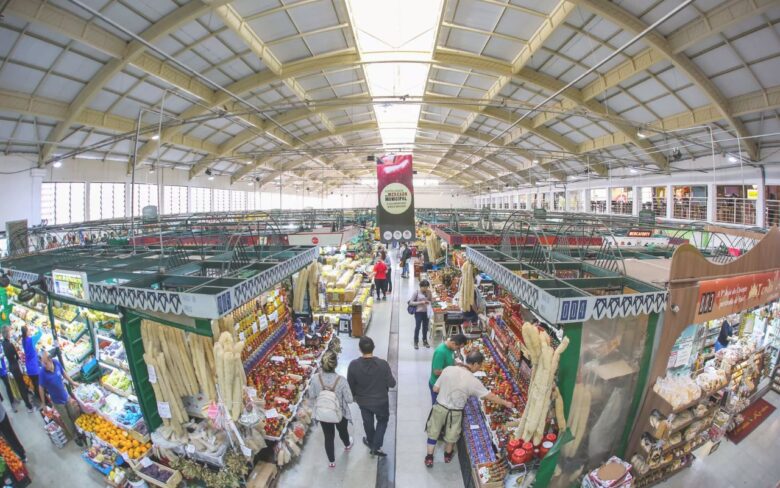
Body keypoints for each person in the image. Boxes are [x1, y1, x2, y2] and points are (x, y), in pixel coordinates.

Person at [424, 352, 513, 467]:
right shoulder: (473, 381)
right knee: (451, 436)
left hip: (440, 407)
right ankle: (447, 455)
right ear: (475, 364)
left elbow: (435, 389)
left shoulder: (448, 369)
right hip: (455, 412)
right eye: (480, 365)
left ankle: (429, 458)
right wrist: (505, 403)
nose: (479, 368)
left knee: (433, 432)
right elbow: (490, 396)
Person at [347, 337, 395, 457]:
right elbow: (392, 383)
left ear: (359, 349)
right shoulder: (383, 364)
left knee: (367, 422)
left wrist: (353, 397)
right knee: (382, 421)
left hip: (363, 401)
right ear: (373, 347)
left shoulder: (353, 365)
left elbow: (350, 385)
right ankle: (376, 446)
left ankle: (370, 440)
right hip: (381, 401)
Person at [308, 350, 353, 468]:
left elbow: (311, 395)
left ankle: (331, 461)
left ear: (322, 364)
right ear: (336, 364)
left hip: (324, 412)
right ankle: (347, 444)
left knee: (328, 436)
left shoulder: (315, 379)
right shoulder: (342, 380)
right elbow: (349, 399)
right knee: (343, 430)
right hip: (340, 412)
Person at [38, 349, 81, 443]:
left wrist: (72, 382)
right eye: (42, 363)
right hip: (57, 401)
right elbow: (40, 388)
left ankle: (79, 431)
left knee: (73, 414)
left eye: (45, 363)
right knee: (66, 419)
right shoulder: (42, 372)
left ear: (50, 360)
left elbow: (63, 372)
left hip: (65, 395)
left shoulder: (56, 363)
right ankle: (75, 437)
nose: (44, 365)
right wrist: (43, 404)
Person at [429, 334, 468, 404]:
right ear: (453, 343)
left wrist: (457, 364)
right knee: (438, 408)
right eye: (458, 348)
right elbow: (436, 371)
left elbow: (450, 361)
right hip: (437, 385)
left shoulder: (450, 348)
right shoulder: (441, 352)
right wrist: (454, 371)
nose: (458, 350)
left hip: (445, 383)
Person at [1, 328, 33, 412]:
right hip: (15, 367)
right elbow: (15, 355)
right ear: (7, 333)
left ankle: (28, 400)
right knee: (21, 386)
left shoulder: (4, 343)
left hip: (12, 367)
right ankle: (28, 406)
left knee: (21, 385)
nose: (10, 332)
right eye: (9, 331)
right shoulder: (9, 344)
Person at [408, 280, 433, 349]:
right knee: (418, 327)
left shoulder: (429, 292)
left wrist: (429, 302)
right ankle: (416, 341)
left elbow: (431, 300)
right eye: (424, 287)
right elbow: (410, 302)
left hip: (426, 312)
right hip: (418, 312)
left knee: (425, 328)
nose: (425, 288)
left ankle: (425, 340)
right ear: (420, 286)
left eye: (427, 287)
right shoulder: (416, 292)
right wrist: (420, 302)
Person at [21, 326, 42, 402]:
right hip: (34, 367)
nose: (30, 330)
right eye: (29, 329)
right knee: (38, 384)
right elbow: (40, 334)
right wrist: (39, 327)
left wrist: (34, 351)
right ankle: (42, 399)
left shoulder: (23, 340)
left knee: (34, 383)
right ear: (26, 332)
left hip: (29, 366)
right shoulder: (31, 339)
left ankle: (38, 397)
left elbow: (29, 351)